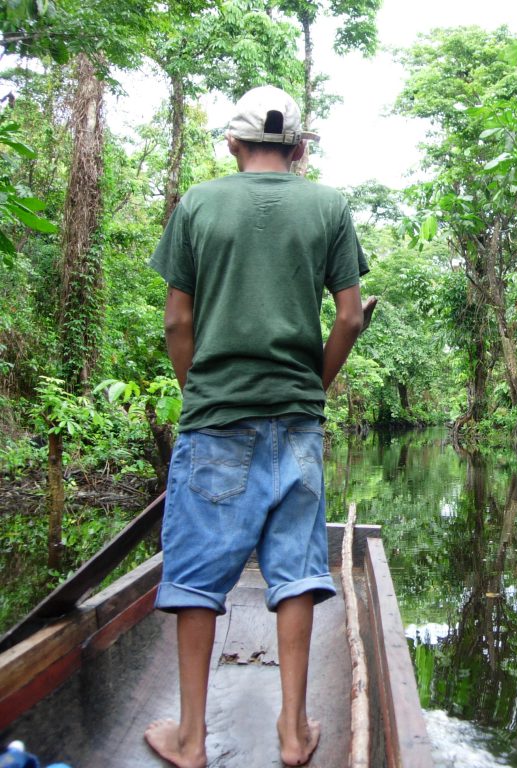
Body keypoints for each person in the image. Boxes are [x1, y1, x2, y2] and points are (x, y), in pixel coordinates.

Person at [143, 85, 375, 768]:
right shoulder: (329, 206)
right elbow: (351, 316)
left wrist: (202, 395)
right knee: (298, 572)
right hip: (296, 419)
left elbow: (176, 322)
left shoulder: (198, 205)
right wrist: (314, 384)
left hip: (216, 416)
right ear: (300, 149)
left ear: (232, 145)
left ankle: (190, 740)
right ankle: (295, 732)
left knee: (196, 577)